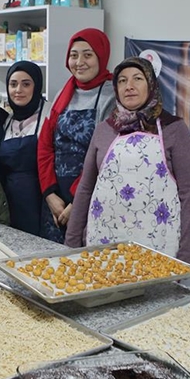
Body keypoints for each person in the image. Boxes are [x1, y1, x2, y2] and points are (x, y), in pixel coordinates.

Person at [65, 57, 190, 265]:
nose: (129, 86)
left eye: (137, 79)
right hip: (103, 241)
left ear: (151, 85)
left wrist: (187, 258)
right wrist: (71, 244)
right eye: (122, 81)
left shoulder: (174, 129)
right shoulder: (104, 129)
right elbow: (85, 188)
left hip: (157, 247)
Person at [37, 28, 116, 244]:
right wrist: (50, 193)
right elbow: (45, 146)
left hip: (90, 195)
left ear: (101, 56)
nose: (79, 62)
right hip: (55, 201)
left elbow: (105, 157)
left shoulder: (112, 96)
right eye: (74, 55)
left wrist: (77, 200)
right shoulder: (63, 93)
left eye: (87, 54)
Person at [0, 61, 50, 237]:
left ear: (37, 86)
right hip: (10, 199)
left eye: (26, 84)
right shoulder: (7, 120)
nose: (18, 90)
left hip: (41, 199)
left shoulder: (48, 116)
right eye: (13, 84)